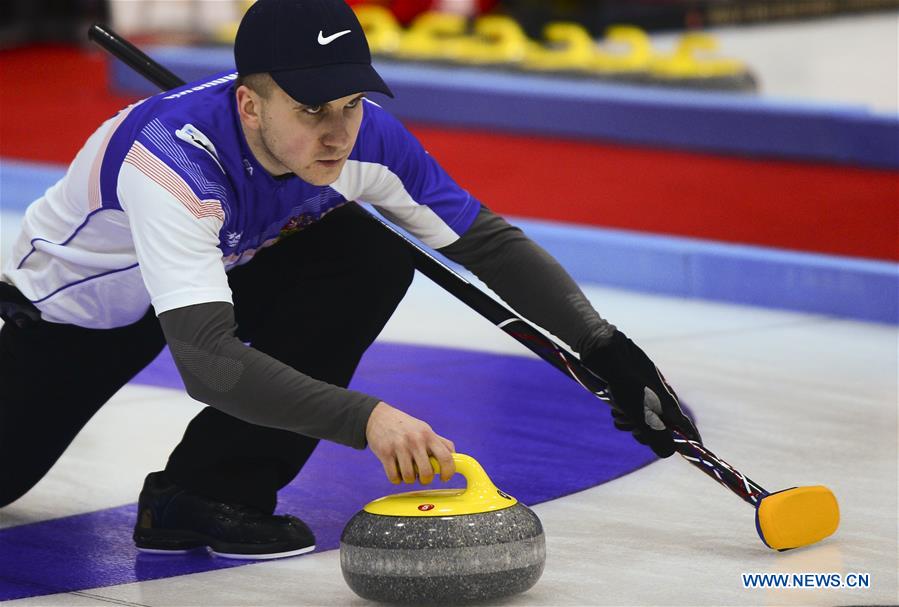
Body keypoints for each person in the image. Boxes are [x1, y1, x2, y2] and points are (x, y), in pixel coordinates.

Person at [0, 0, 699, 560]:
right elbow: (207, 362)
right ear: (249, 105)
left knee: (367, 251)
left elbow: (483, 243)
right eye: (311, 110)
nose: (338, 133)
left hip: (219, 265)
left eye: (351, 103)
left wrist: (606, 349)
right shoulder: (170, 165)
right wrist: (365, 416)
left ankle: (206, 492)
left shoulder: (362, 136)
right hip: (76, 313)